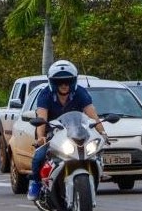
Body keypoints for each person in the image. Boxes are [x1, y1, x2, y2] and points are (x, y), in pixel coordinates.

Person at [28, 60, 106, 201]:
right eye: (60, 82)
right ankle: (36, 183)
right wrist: (41, 137)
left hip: (76, 131)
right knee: (39, 156)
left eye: (67, 81)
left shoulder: (81, 93)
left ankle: (93, 180)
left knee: (95, 153)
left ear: (73, 82)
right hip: (51, 132)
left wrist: (103, 133)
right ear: (53, 83)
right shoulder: (45, 95)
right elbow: (41, 117)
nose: (64, 85)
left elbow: (93, 115)